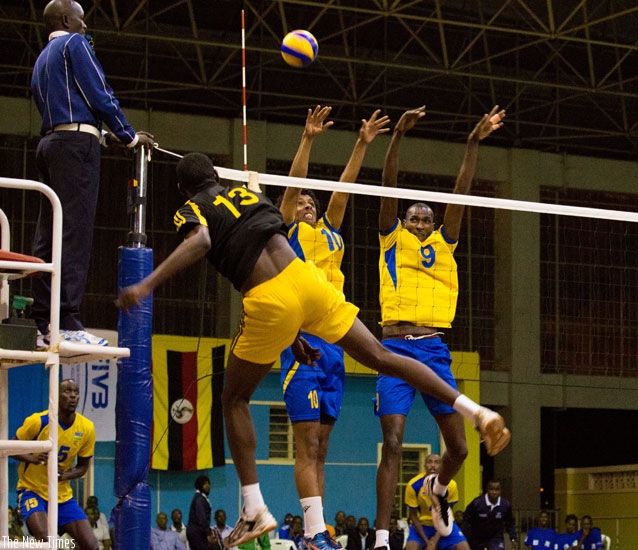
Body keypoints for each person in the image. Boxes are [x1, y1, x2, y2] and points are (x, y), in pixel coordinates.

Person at [116, 153, 510, 548]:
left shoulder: (192, 207)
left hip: (268, 300)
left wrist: (146, 284)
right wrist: (293, 334)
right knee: (382, 357)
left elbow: (201, 240)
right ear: (217, 175)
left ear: (184, 189)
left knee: (233, 399)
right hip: (308, 284)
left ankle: (253, 509)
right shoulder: (248, 195)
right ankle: (476, 411)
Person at [373, 104, 508, 548]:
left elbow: (462, 190)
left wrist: (472, 141)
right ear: (402, 222)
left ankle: (437, 490)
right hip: (394, 349)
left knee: (461, 449)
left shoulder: (445, 243)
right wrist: (397, 136)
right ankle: (381, 536)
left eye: (425, 219)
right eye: (413, 218)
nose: (419, 223)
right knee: (393, 442)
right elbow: (388, 185)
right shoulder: (391, 238)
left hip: (433, 348)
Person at [278, 105, 390, 550]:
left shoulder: (330, 232)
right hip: (301, 341)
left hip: (335, 344)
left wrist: (362, 143)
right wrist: (307, 139)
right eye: (302, 202)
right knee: (306, 445)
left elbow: (343, 189)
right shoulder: (287, 232)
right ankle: (311, 532)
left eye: (312, 202)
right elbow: (293, 186)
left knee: (322, 448)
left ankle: (318, 530)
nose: (306, 204)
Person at [29, 0, 155, 348]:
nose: (85, 27)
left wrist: (102, 136)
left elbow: (61, 107)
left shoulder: (41, 59)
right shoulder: (74, 44)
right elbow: (99, 93)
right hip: (75, 148)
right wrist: (128, 136)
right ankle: (67, 320)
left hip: (50, 143)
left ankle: (43, 322)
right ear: (66, 19)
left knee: (49, 233)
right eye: (81, 20)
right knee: (75, 232)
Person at [10, 379, 97, 548]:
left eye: (76, 392)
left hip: (62, 496)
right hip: (32, 490)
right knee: (46, 539)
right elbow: (11, 447)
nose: (73, 396)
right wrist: (33, 458)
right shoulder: (39, 421)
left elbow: (83, 467)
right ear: (56, 396)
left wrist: (64, 475)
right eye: (67, 391)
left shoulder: (86, 428)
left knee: (91, 544)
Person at [405, 454, 469, 550]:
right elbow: (413, 516)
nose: (433, 465)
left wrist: (434, 540)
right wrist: (427, 542)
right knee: (411, 547)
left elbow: (447, 514)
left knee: (464, 547)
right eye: (429, 462)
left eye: (437, 462)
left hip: (445, 523)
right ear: (424, 465)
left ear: (442, 466)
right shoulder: (413, 485)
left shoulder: (451, 485)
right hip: (422, 525)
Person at [461, 480, 517, 550]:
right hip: (477, 537)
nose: (494, 492)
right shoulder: (477, 503)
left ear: (500, 491)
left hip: (495, 537)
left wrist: (513, 537)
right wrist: (463, 537)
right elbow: (466, 520)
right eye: (491, 489)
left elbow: (510, 522)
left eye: (497, 490)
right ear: (487, 490)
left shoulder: (505, 505)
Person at [187, 475, 213, 550]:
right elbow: (201, 518)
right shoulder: (200, 499)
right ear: (200, 485)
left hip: (197, 532)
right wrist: (208, 533)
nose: (208, 486)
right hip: (197, 533)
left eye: (208, 483)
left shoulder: (200, 498)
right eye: (205, 484)